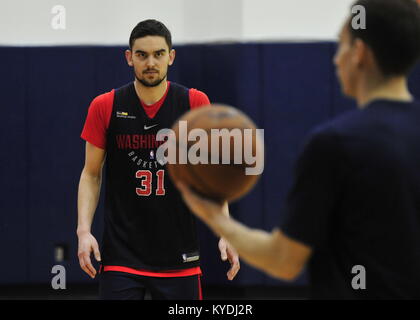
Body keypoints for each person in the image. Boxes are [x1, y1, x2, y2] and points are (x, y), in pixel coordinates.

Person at [176, 0, 420, 299]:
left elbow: (284, 261)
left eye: (341, 46)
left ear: (359, 54)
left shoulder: (334, 143)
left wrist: (216, 219)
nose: (335, 59)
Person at [77, 19, 240, 300]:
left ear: (171, 56)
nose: (150, 62)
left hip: (179, 256)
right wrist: (83, 231)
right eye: (141, 54)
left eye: (158, 54)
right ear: (129, 58)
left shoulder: (194, 103)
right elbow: (91, 174)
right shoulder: (105, 106)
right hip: (121, 257)